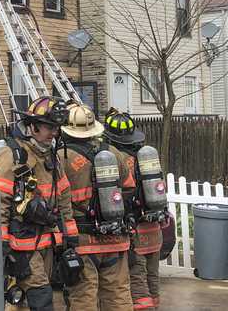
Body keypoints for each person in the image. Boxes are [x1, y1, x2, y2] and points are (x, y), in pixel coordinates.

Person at [0, 96, 76, 311]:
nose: (54, 134)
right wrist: (0, 242)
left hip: (46, 241)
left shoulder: (52, 157)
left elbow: (63, 198)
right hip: (21, 244)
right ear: (33, 126)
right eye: (49, 128)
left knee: (23, 301)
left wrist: (69, 234)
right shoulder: (13, 156)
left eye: (56, 129)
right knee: (40, 296)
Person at [59, 104, 136, 311]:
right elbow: (129, 190)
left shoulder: (61, 158)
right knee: (118, 294)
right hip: (116, 238)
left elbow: (54, 199)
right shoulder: (113, 153)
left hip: (83, 242)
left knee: (84, 296)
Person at [105, 110, 162, 311]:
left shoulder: (114, 160)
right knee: (153, 279)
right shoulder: (146, 157)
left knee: (136, 280)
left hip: (134, 231)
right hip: (154, 229)